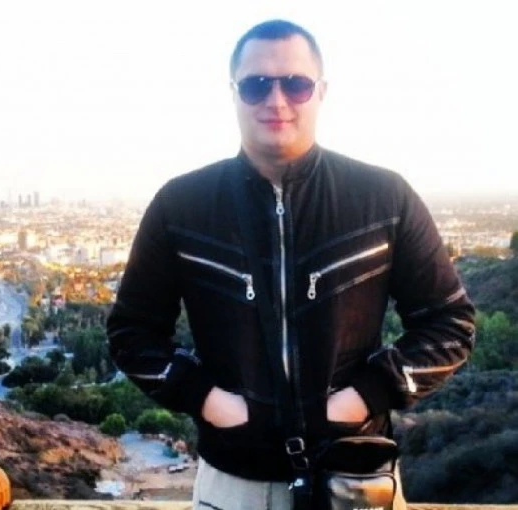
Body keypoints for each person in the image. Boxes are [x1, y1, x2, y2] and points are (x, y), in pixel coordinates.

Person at [106, 19, 476, 510]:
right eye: (256, 84)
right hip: (233, 482)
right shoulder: (182, 205)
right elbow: (131, 332)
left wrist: (362, 396)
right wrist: (210, 401)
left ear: (321, 91)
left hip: (354, 478)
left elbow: (449, 324)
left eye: (296, 84)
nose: (276, 100)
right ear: (234, 94)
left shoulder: (383, 198)